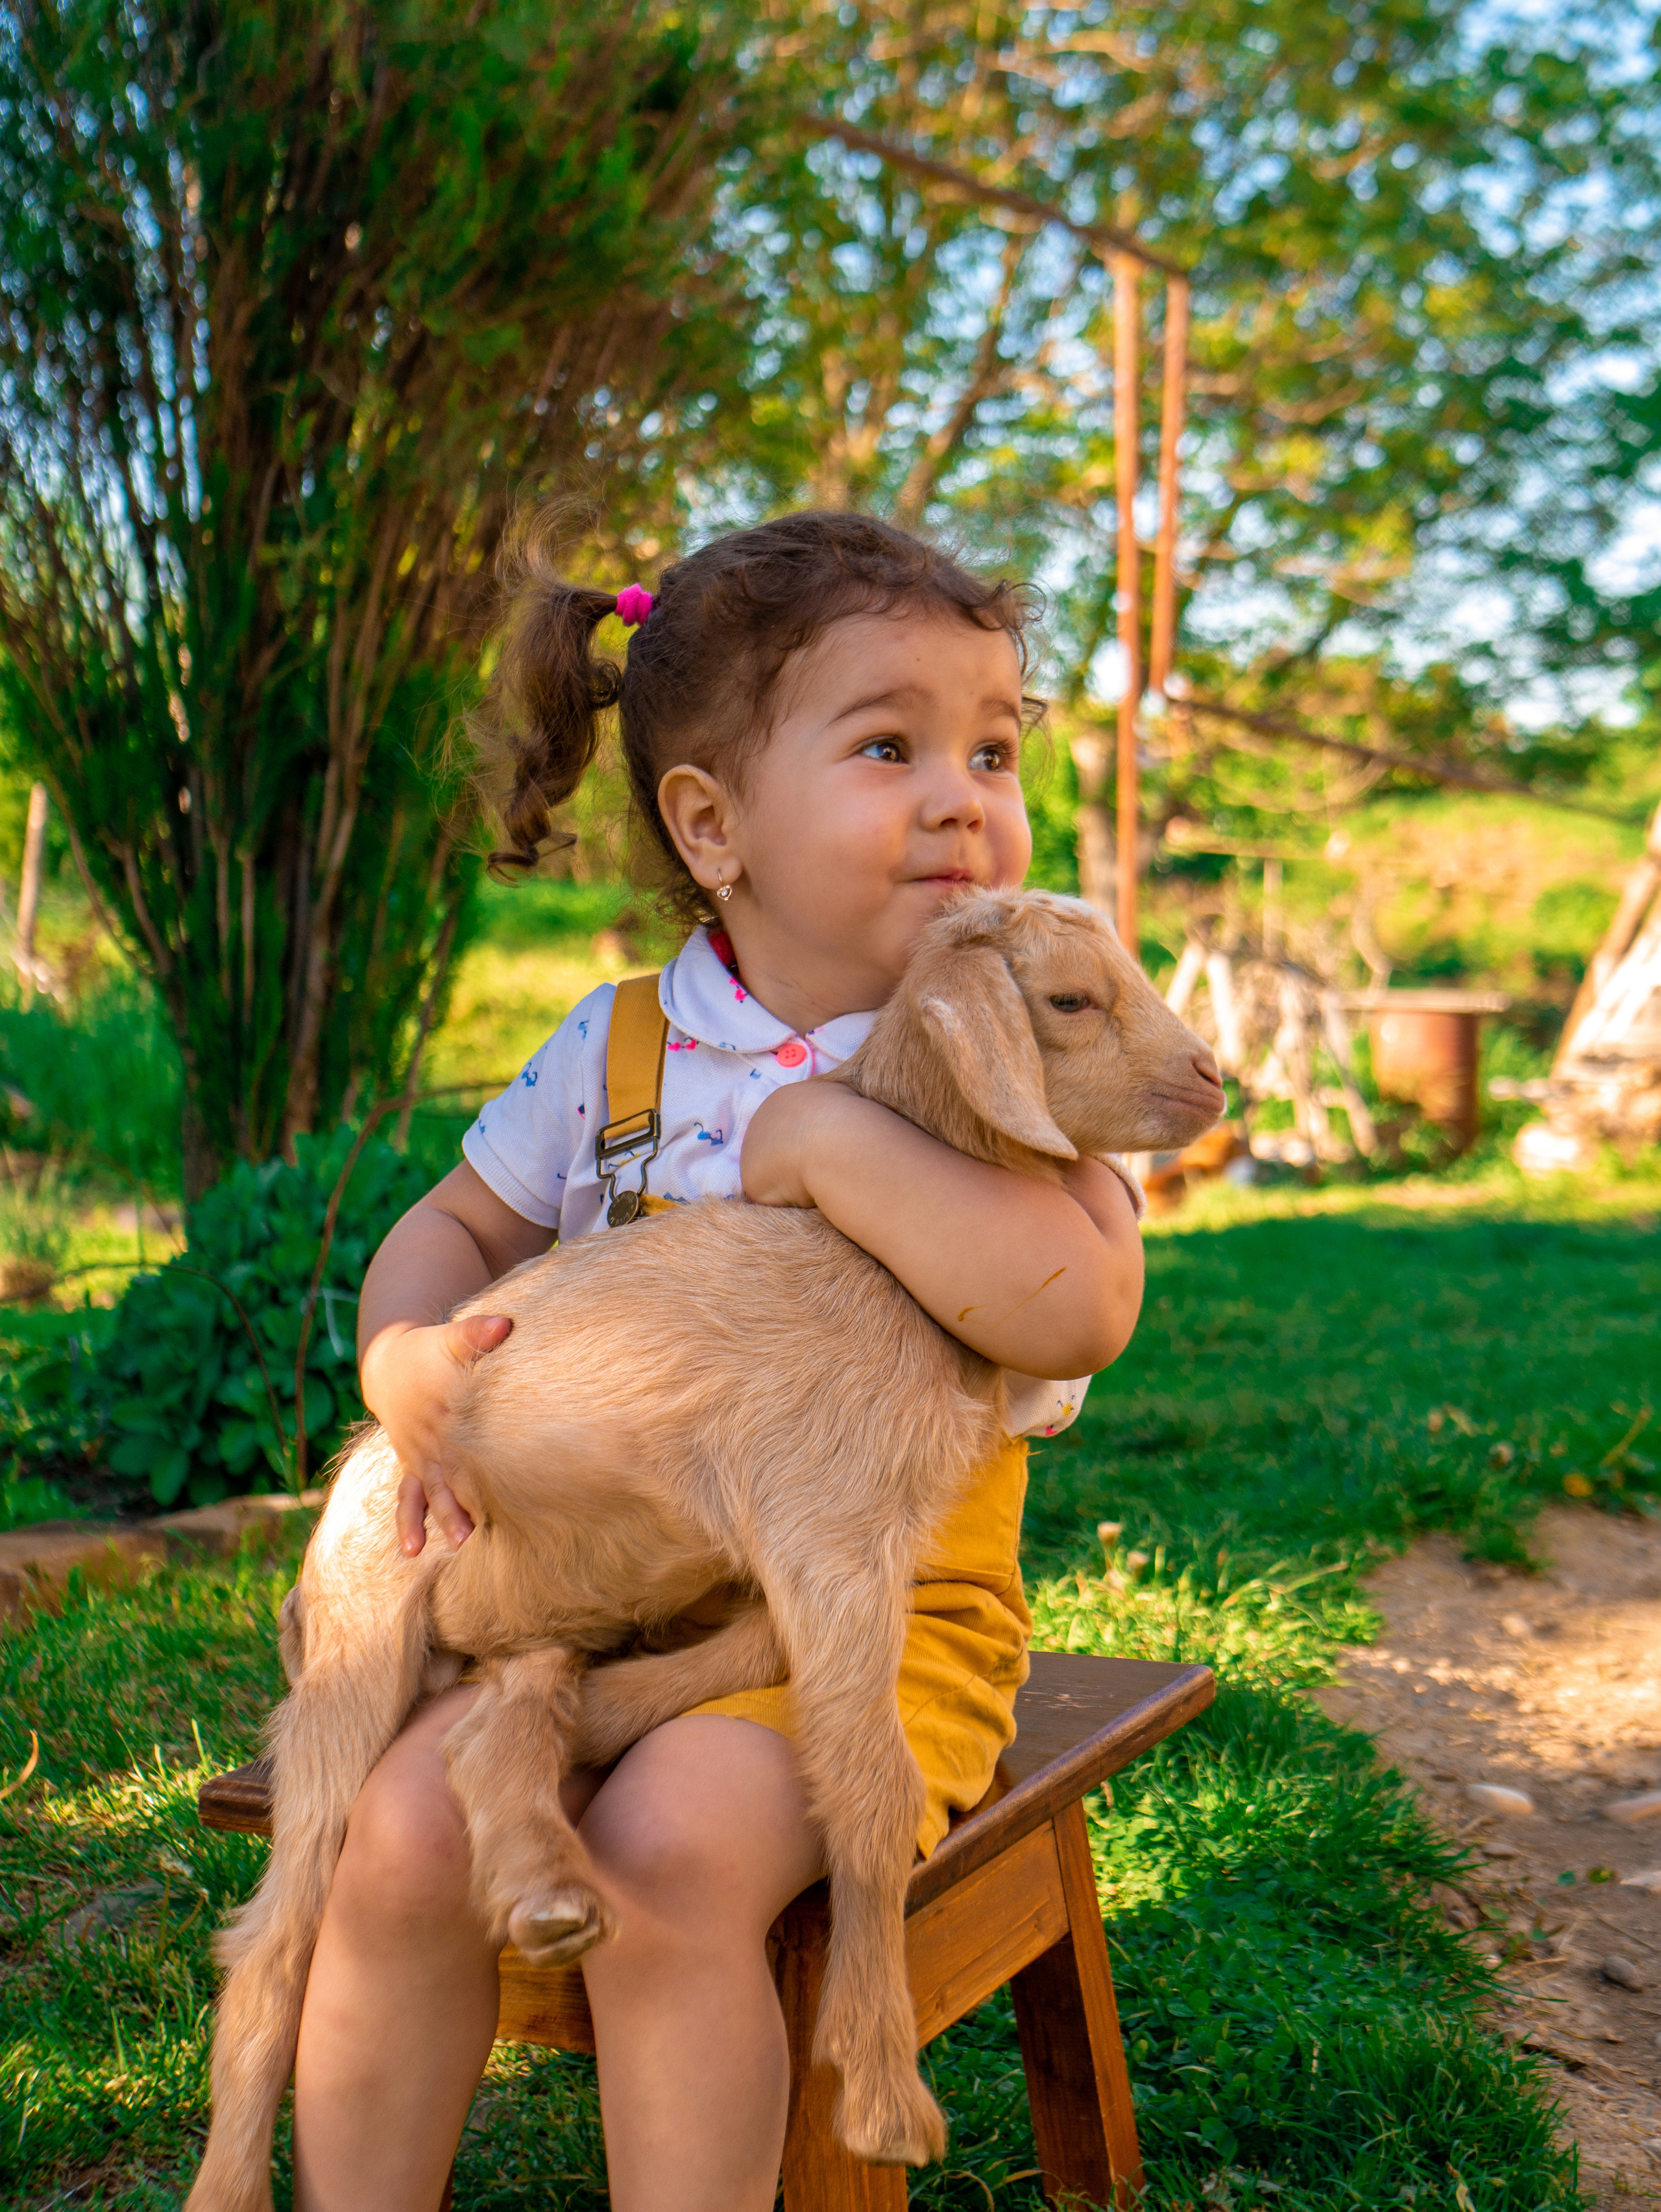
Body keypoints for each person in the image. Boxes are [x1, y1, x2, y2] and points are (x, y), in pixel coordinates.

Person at [291, 510, 1148, 2212]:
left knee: (667, 1846)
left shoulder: (1023, 1050)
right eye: (890, 743)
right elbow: (457, 1225)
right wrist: (410, 1356)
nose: (963, 792)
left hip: (877, 1625)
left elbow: (1078, 1308)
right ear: (712, 822)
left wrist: (829, 1144)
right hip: (586, 1592)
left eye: (994, 744)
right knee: (394, 1845)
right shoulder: (617, 1040)